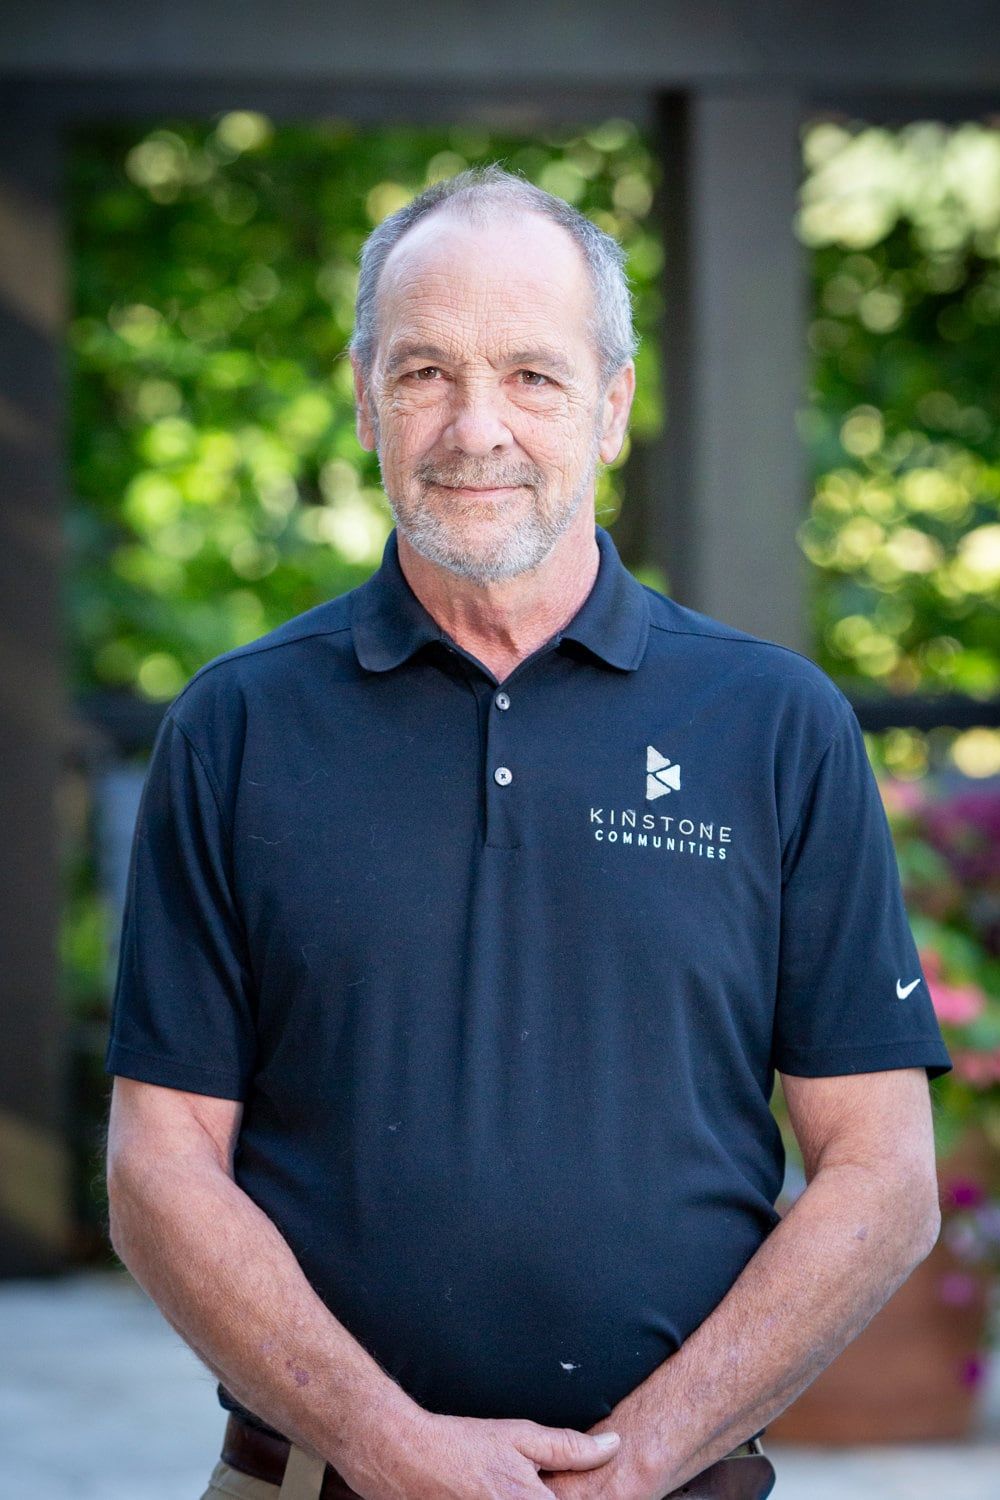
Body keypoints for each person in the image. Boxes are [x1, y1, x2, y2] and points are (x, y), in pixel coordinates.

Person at [104, 164, 953, 1500]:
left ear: (612, 407)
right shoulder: (237, 731)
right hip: (313, 1485)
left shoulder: (776, 725)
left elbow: (885, 1174)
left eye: (533, 376)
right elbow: (161, 1167)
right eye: (425, 370)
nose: (474, 426)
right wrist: (392, 1446)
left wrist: (636, 1464)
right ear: (364, 395)